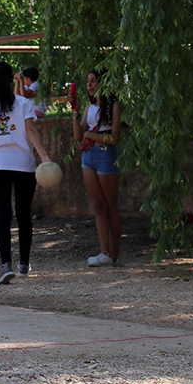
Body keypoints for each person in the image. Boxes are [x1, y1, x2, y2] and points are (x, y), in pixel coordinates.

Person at [0, 61, 51, 284]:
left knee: (3, 215)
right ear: (10, 81)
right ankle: (24, 263)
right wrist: (44, 157)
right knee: (23, 214)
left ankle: (6, 265)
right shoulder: (24, 103)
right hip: (24, 165)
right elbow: (32, 131)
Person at [72, 69, 123, 266]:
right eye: (88, 82)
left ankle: (114, 252)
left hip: (105, 155)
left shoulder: (114, 106)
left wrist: (90, 136)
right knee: (98, 205)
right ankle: (104, 252)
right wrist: (75, 113)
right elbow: (78, 135)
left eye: (94, 81)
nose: (90, 85)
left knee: (111, 205)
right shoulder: (89, 108)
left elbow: (114, 138)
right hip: (88, 157)